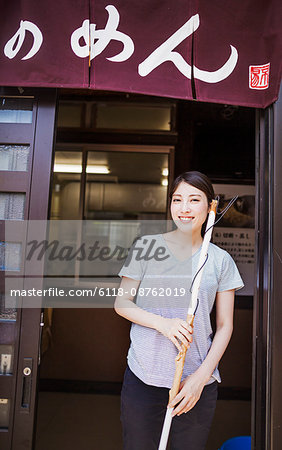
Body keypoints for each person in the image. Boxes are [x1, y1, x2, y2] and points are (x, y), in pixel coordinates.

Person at [114, 171, 244, 450]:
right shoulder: (146, 247)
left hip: (196, 383)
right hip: (143, 377)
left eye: (194, 199)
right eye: (177, 199)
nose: (184, 208)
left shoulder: (221, 261)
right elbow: (122, 303)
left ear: (210, 206)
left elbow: (225, 326)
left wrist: (200, 379)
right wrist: (165, 324)